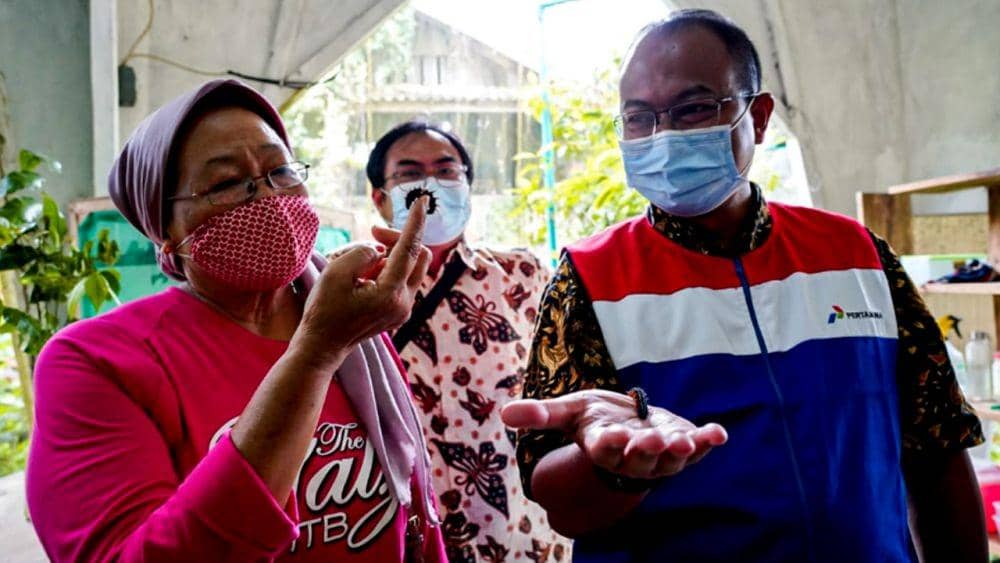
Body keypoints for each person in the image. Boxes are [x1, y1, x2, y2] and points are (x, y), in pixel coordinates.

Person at [501, 9, 987, 563]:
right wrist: (612, 467)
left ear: (757, 117)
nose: (663, 136)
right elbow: (560, 504)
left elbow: (938, 450)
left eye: (694, 108)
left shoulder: (858, 257)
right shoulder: (589, 278)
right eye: (638, 118)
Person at [26, 79, 447, 562]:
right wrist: (315, 355)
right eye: (225, 183)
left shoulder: (340, 313)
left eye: (281, 171)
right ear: (164, 231)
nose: (267, 197)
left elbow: (414, 506)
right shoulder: (96, 360)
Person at [361, 121, 570, 562]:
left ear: (467, 186)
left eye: (446, 170)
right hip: (407, 530)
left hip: (519, 527)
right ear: (379, 198)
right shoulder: (354, 289)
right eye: (410, 172)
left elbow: (563, 385)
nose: (430, 184)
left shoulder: (523, 274)